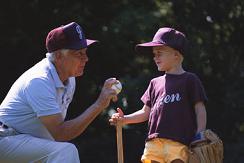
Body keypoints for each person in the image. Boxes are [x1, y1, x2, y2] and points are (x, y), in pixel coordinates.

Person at [0, 22, 118, 163]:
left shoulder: (70, 78)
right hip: (6, 138)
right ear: (58, 56)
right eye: (78, 54)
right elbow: (60, 133)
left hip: (25, 141)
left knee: (59, 151)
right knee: (65, 151)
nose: (85, 59)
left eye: (85, 53)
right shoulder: (39, 81)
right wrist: (99, 104)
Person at [110, 27, 208, 163]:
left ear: (176, 54)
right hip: (154, 143)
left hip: (179, 142)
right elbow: (145, 112)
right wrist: (124, 119)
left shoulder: (190, 80)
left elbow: (200, 109)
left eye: (159, 53)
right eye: (154, 54)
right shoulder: (154, 83)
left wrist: (199, 134)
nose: (155, 57)